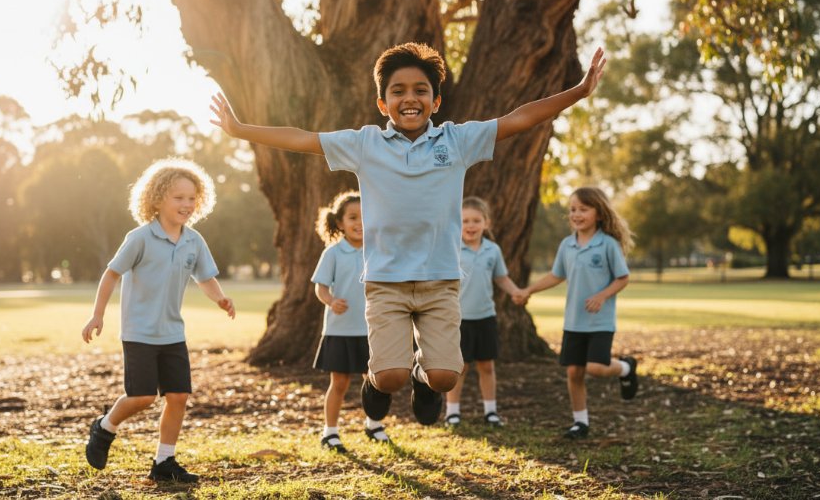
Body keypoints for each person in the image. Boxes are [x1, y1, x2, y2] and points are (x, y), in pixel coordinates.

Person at [210, 42, 605, 426]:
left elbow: (520, 118)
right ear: (383, 104)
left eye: (421, 90)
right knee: (389, 377)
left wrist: (580, 91)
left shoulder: (457, 140)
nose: (409, 98)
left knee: (446, 377)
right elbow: (302, 138)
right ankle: (379, 380)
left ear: (436, 102)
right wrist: (240, 129)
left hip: (441, 282)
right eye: (397, 91)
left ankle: (423, 376)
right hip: (385, 283)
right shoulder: (365, 144)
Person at [81, 157, 236, 482]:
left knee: (178, 396)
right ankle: (104, 427)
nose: (187, 204)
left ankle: (163, 463)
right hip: (139, 332)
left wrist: (220, 298)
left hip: (172, 333)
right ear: (157, 199)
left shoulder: (194, 240)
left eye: (192, 198)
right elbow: (111, 274)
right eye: (178, 197)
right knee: (142, 397)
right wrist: (97, 314)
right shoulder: (140, 237)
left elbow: (205, 277)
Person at [513, 187, 637, 440]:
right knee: (574, 372)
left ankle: (625, 368)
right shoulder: (567, 245)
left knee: (596, 368)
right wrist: (529, 290)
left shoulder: (608, 244)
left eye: (583, 209)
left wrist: (602, 295)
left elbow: (623, 278)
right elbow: (557, 275)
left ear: (599, 214)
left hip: (600, 322)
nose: (576, 214)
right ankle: (580, 423)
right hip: (573, 321)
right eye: (572, 210)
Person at [311, 191, 391, 452]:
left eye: (365, 217)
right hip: (341, 329)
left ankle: (374, 424)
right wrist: (330, 300)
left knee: (375, 381)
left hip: (373, 329)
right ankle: (330, 432)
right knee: (340, 382)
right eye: (353, 217)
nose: (359, 222)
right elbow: (320, 288)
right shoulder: (333, 252)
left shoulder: (378, 250)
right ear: (340, 222)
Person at [444, 196, 527, 428]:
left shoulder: (493, 250)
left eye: (476, 220)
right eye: (465, 221)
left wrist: (515, 292)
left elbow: (501, 277)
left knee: (487, 366)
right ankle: (452, 412)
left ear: (486, 223)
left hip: (485, 317)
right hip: (458, 319)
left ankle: (491, 412)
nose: (470, 226)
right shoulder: (452, 249)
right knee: (459, 368)